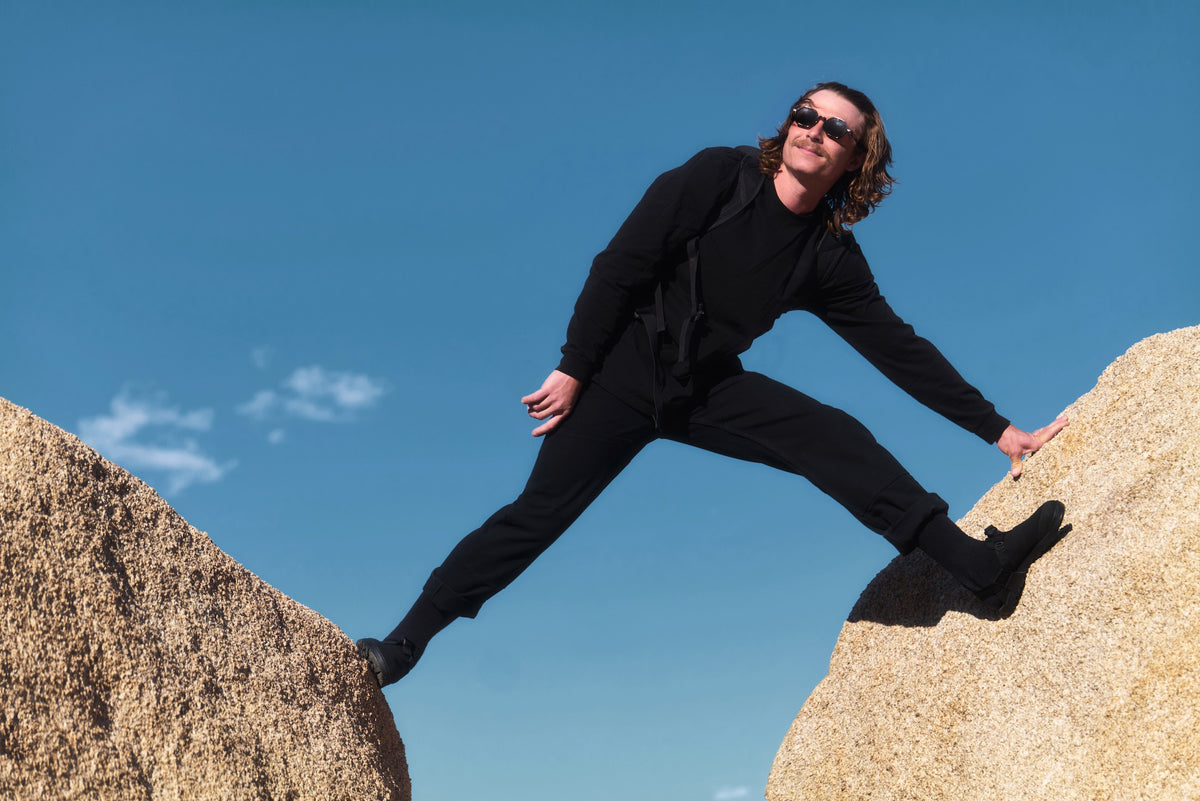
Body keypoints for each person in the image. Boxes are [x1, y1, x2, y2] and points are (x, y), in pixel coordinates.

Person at [356, 81, 1069, 688]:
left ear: (858, 158)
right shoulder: (719, 177)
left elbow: (899, 350)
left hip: (703, 389)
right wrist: (574, 367)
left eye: (836, 129)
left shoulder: (828, 256)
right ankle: (400, 648)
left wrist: (1000, 430)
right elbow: (621, 264)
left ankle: (977, 568)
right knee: (535, 517)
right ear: (788, 123)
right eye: (804, 115)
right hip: (617, 374)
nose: (813, 131)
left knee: (832, 435)